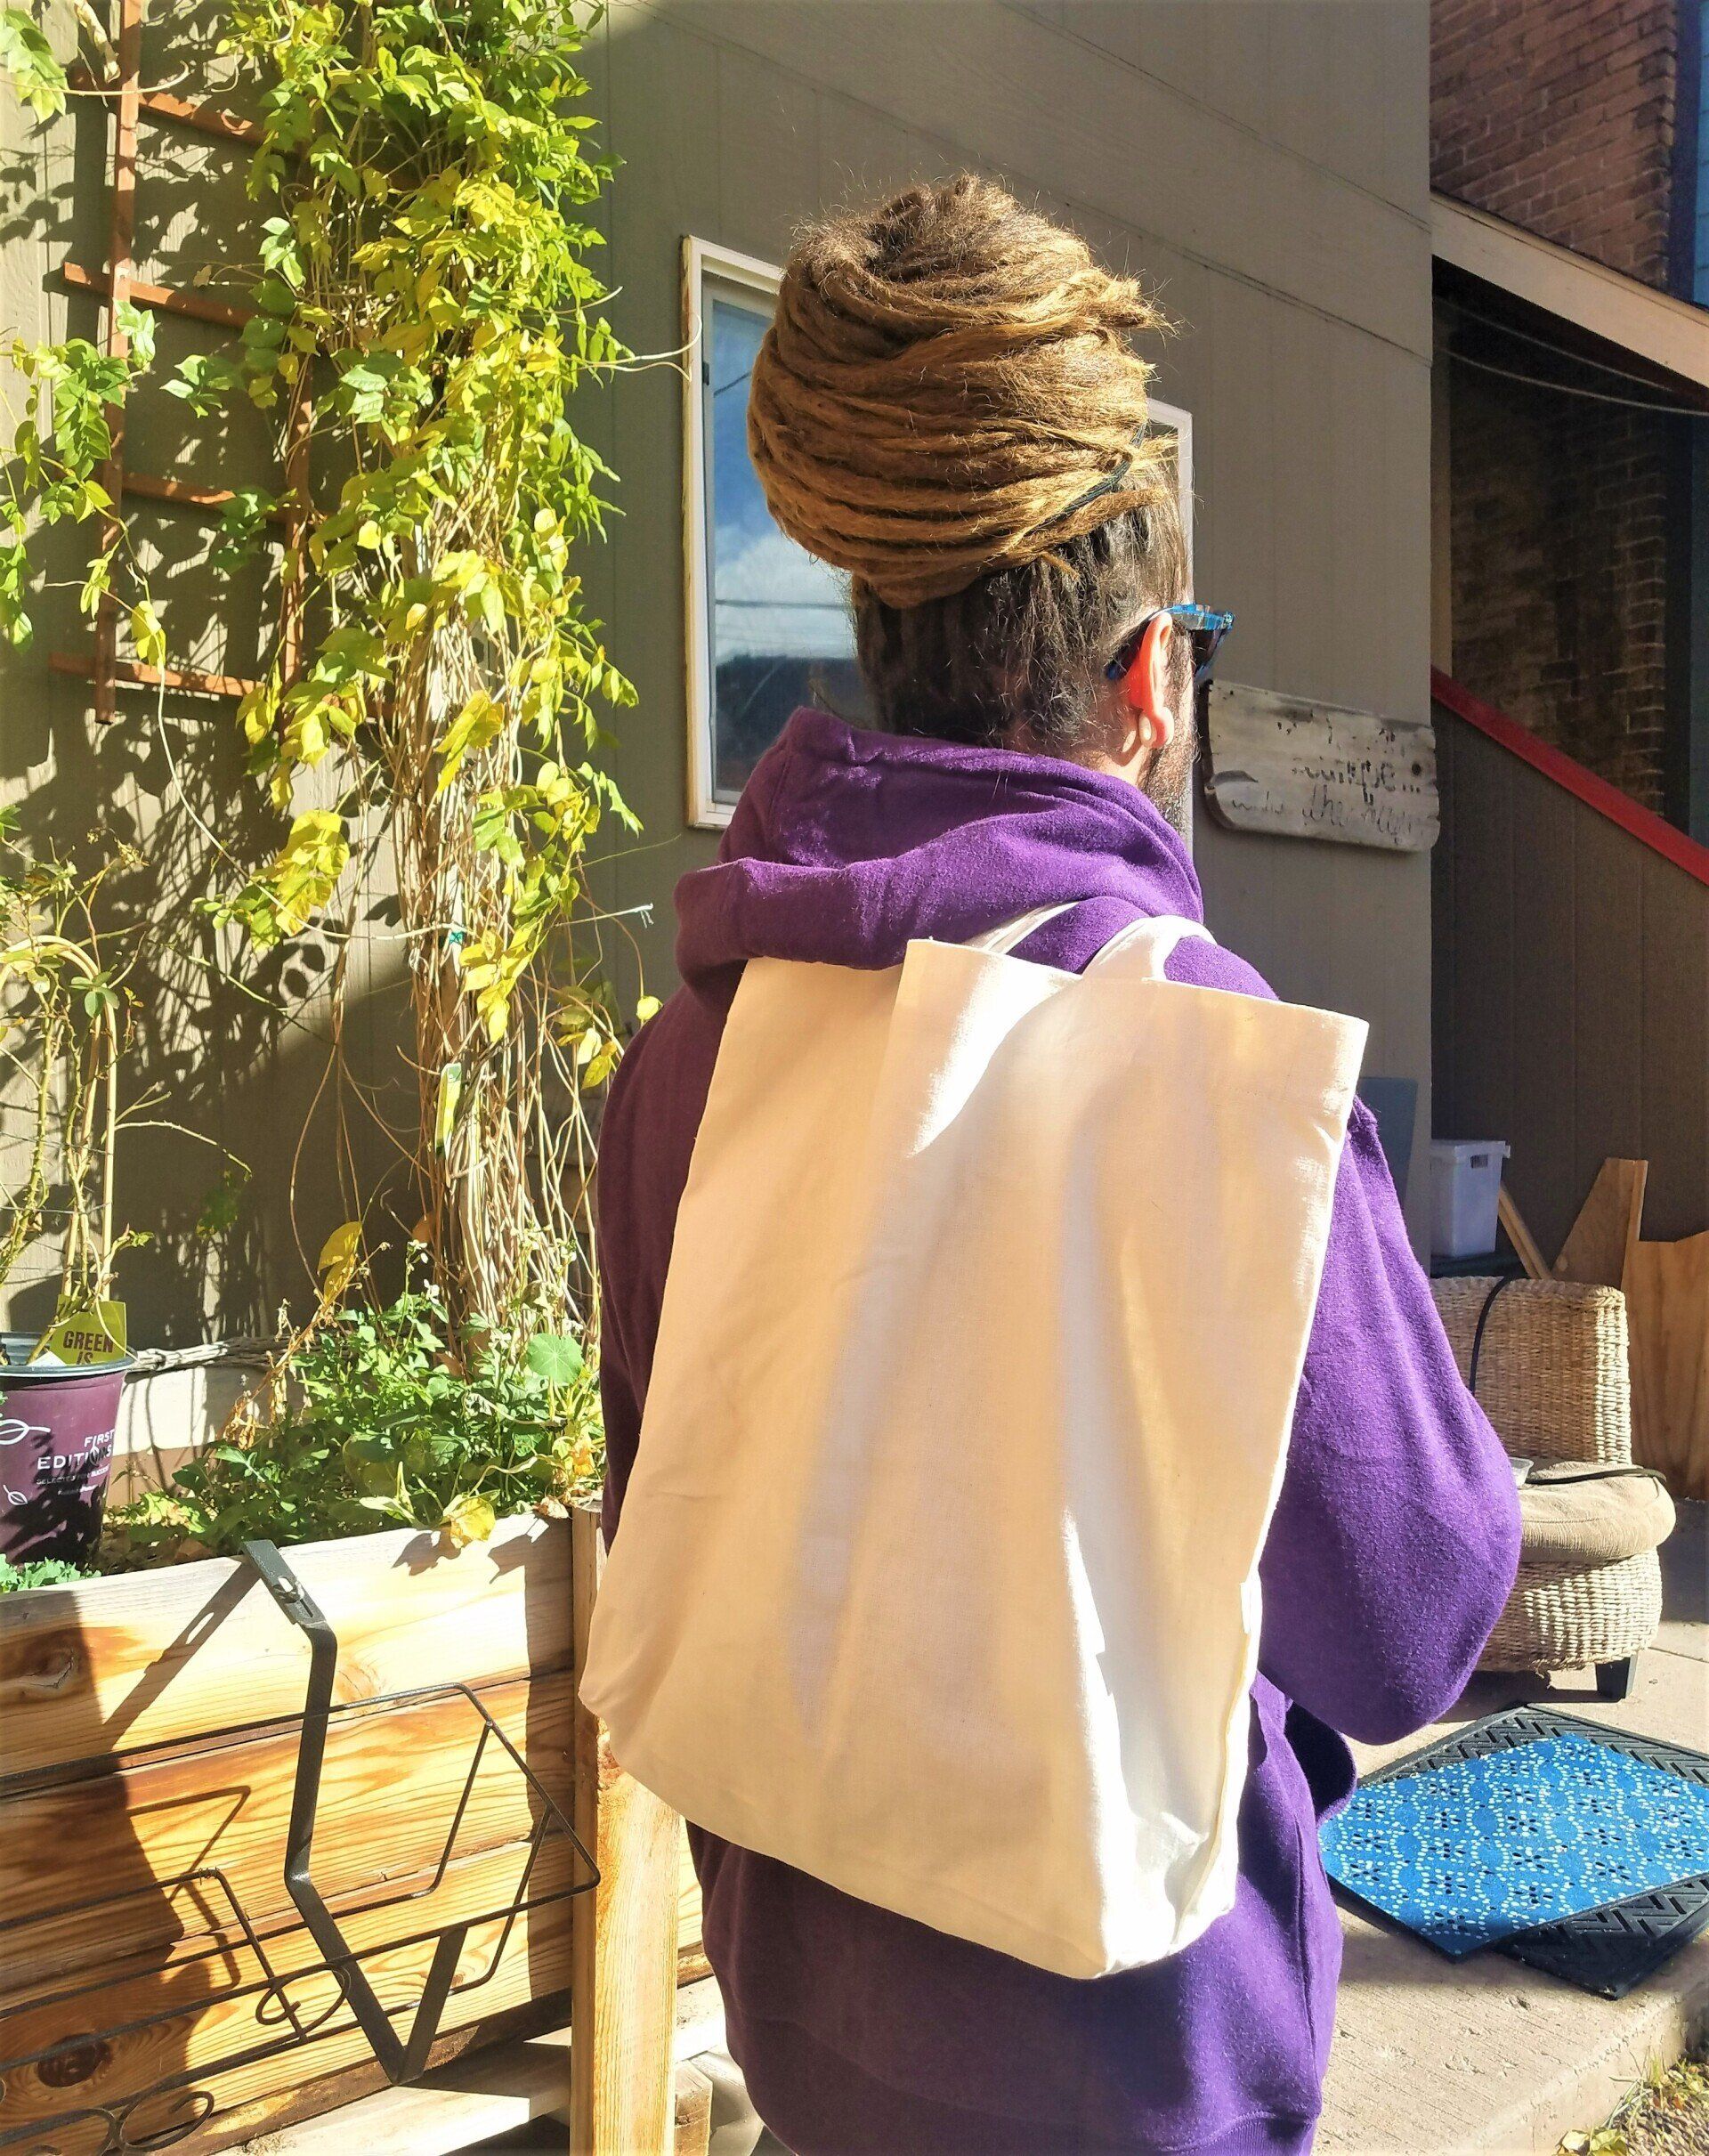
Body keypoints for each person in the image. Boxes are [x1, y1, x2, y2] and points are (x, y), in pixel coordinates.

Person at [596, 176, 1521, 2156]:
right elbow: (1416, 1611)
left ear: (865, 635)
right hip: (1136, 2065)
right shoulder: (1204, 1049)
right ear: (1145, 680)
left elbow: (673, 1497)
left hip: (809, 2025)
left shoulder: (689, 1057)